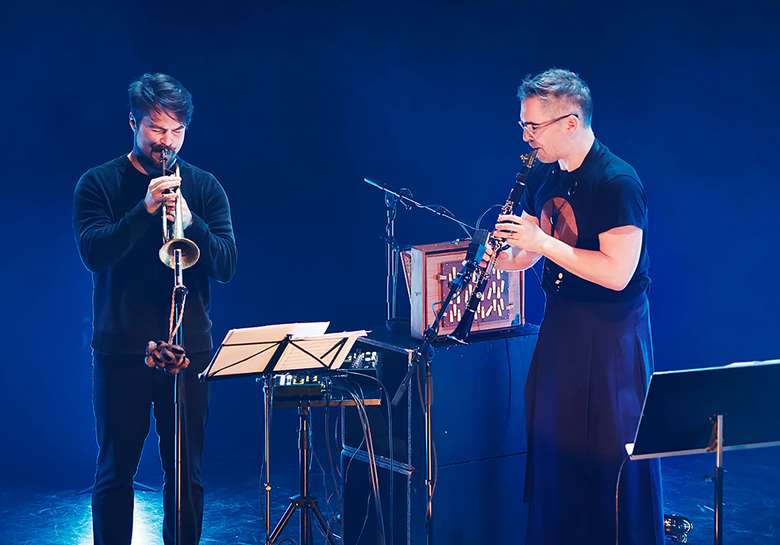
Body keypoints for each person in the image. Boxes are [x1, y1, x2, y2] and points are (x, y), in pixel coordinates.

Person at [490, 68, 663, 544]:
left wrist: (541, 242)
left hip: (613, 336)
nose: (526, 137)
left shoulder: (617, 182)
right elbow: (527, 254)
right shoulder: (543, 175)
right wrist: (504, 255)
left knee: (610, 454)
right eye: (522, 126)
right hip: (563, 327)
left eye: (534, 127)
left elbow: (616, 273)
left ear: (570, 122)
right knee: (554, 448)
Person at [73, 72, 237, 545]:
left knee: (187, 473)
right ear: (133, 122)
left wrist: (191, 221)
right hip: (122, 348)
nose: (167, 143)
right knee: (114, 472)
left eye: (176, 131)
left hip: (188, 350)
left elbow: (225, 264)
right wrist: (143, 210)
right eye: (156, 130)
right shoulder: (98, 183)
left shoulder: (204, 187)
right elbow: (93, 252)